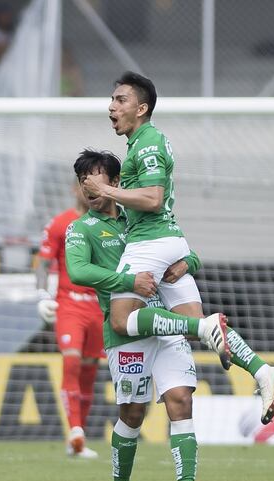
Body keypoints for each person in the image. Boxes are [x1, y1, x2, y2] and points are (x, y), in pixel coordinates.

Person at [66, 149, 274, 481]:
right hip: (126, 332)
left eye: (98, 177)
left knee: (181, 400)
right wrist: (128, 280)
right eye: (84, 180)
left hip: (167, 324)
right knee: (133, 414)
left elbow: (189, 253)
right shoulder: (82, 229)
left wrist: (187, 262)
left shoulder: (139, 219)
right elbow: (77, 272)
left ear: (116, 182)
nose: (91, 186)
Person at [83, 71, 232, 371]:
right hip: (170, 240)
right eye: (111, 99)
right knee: (192, 324)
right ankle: (262, 370)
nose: (112, 106)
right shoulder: (140, 143)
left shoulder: (147, 141)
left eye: (121, 100)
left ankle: (208, 329)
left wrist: (105, 189)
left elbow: (152, 198)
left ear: (142, 109)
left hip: (150, 240)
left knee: (121, 319)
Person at [36, 181, 106, 459]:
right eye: (84, 186)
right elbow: (42, 264)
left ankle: (77, 437)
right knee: (72, 360)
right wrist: (42, 294)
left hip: (98, 307)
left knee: (89, 370)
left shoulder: (107, 225)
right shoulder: (60, 223)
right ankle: (75, 429)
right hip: (69, 305)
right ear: (74, 189)